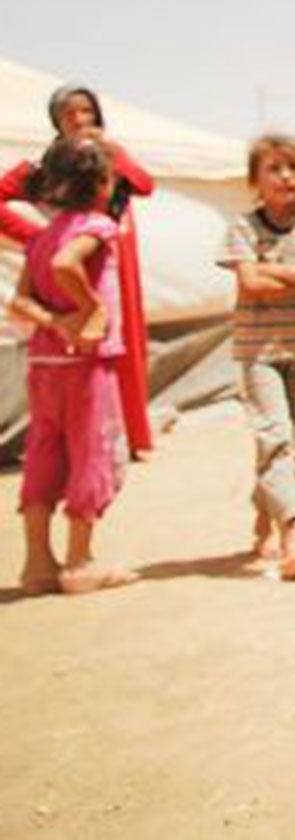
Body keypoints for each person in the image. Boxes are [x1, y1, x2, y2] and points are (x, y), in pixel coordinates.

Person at [2, 85, 160, 460]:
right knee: (74, 347)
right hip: (69, 265)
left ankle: (134, 437)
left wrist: (111, 152)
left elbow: (144, 185)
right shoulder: (45, 168)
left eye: (86, 112)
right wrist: (37, 237)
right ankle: (79, 440)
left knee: (124, 346)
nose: (79, 120)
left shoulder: (107, 158)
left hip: (111, 262)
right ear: (55, 119)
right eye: (69, 114)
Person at [7, 136, 134, 595]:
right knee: (91, 451)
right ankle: (80, 560)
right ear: (102, 183)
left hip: (44, 362)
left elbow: (19, 301)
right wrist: (91, 308)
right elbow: (67, 264)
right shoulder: (98, 226)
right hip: (86, 362)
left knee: (44, 452)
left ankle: (37, 564)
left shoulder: (43, 234)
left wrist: (55, 322)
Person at [219, 134, 295, 582]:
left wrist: (275, 271)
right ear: (256, 179)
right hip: (257, 352)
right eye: (274, 168)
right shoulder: (243, 227)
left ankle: (261, 520)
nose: (286, 177)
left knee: (279, 439)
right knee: (275, 437)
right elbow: (250, 284)